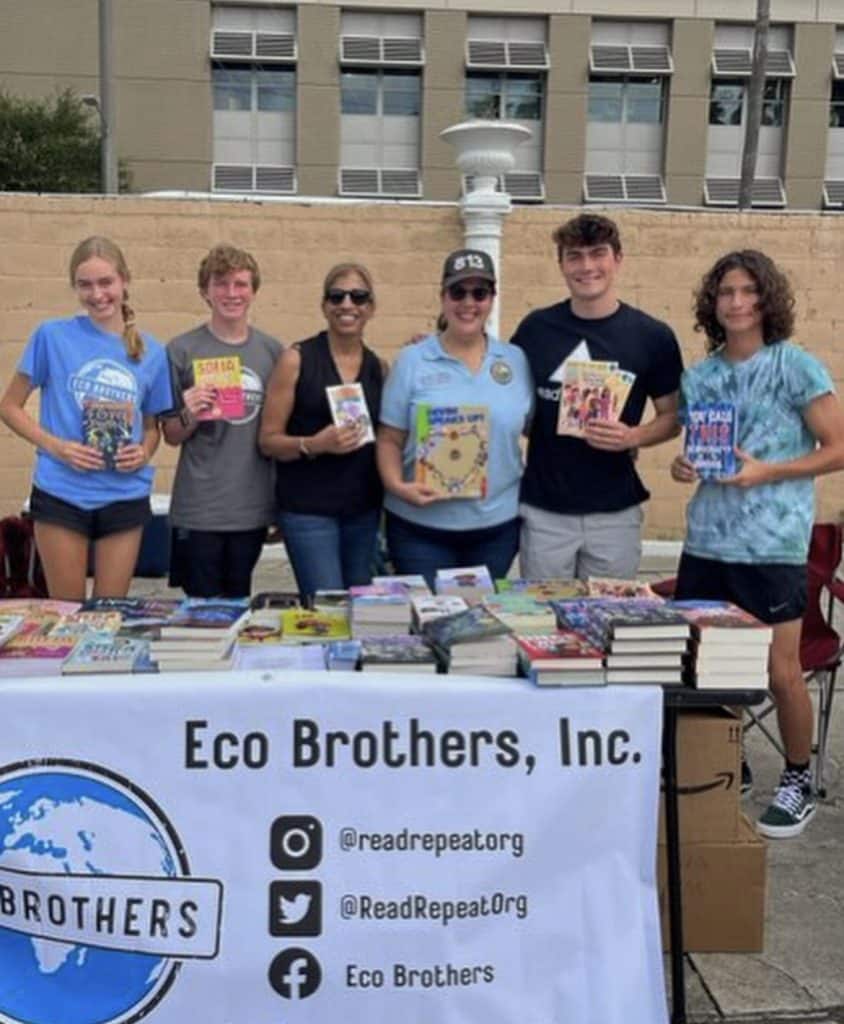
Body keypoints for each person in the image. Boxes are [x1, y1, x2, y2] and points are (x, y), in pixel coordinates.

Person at [670, 249, 844, 839]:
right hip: (708, 543)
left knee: (779, 670)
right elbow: (699, 448)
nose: (737, 302)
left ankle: (797, 780)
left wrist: (765, 473)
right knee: (702, 666)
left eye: (747, 291)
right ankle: (726, 762)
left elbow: (838, 447)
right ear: (712, 304)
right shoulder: (701, 376)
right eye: (725, 293)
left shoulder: (795, 367)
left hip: (771, 545)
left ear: (767, 298)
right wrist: (683, 467)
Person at [511, 213, 684, 580]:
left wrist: (633, 436)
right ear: (561, 264)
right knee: (542, 625)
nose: (586, 266)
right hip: (545, 510)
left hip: (615, 512)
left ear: (617, 259)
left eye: (598, 253)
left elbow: (672, 416)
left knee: (611, 625)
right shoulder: (534, 329)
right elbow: (504, 394)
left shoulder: (653, 336)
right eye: (574, 256)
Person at [0, 236, 173, 600]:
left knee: (110, 615)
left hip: (124, 494)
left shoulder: (152, 352)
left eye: (106, 282)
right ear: (74, 287)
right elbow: (9, 406)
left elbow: (152, 427)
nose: (97, 294)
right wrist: (57, 447)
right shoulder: (52, 336)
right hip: (62, 491)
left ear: (125, 281)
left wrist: (143, 452)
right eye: (85, 285)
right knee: (66, 617)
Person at [377, 249, 532, 587]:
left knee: (482, 629)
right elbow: (389, 438)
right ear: (443, 297)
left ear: (492, 299)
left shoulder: (515, 360)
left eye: (480, 293)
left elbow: (534, 428)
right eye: (458, 292)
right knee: (430, 625)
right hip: (421, 528)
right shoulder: (413, 360)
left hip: (496, 528)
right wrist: (397, 486)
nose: (468, 303)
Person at [259, 262, 385, 602]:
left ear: (370, 308)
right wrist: (314, 444)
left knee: (362, 611)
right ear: (324, 305)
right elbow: (268, 440)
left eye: (358, 297)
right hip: (308, 510)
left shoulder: (378, 368)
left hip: (363, 511)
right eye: (337, 296)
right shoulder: (296, 359)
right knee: (326, 609)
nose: (347, 305)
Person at [162, 245, 282, 598]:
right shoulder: (181, 350)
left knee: (238, 603)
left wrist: (279, 507)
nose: (232, 293)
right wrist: (190, 412)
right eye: (221, 284)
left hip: (251, 506)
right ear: (205, 291)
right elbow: (171, 434)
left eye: (241, 284)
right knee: (202, 615)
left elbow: (277, 434)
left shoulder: (274, 352)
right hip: (200, 508)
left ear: (254, 291)